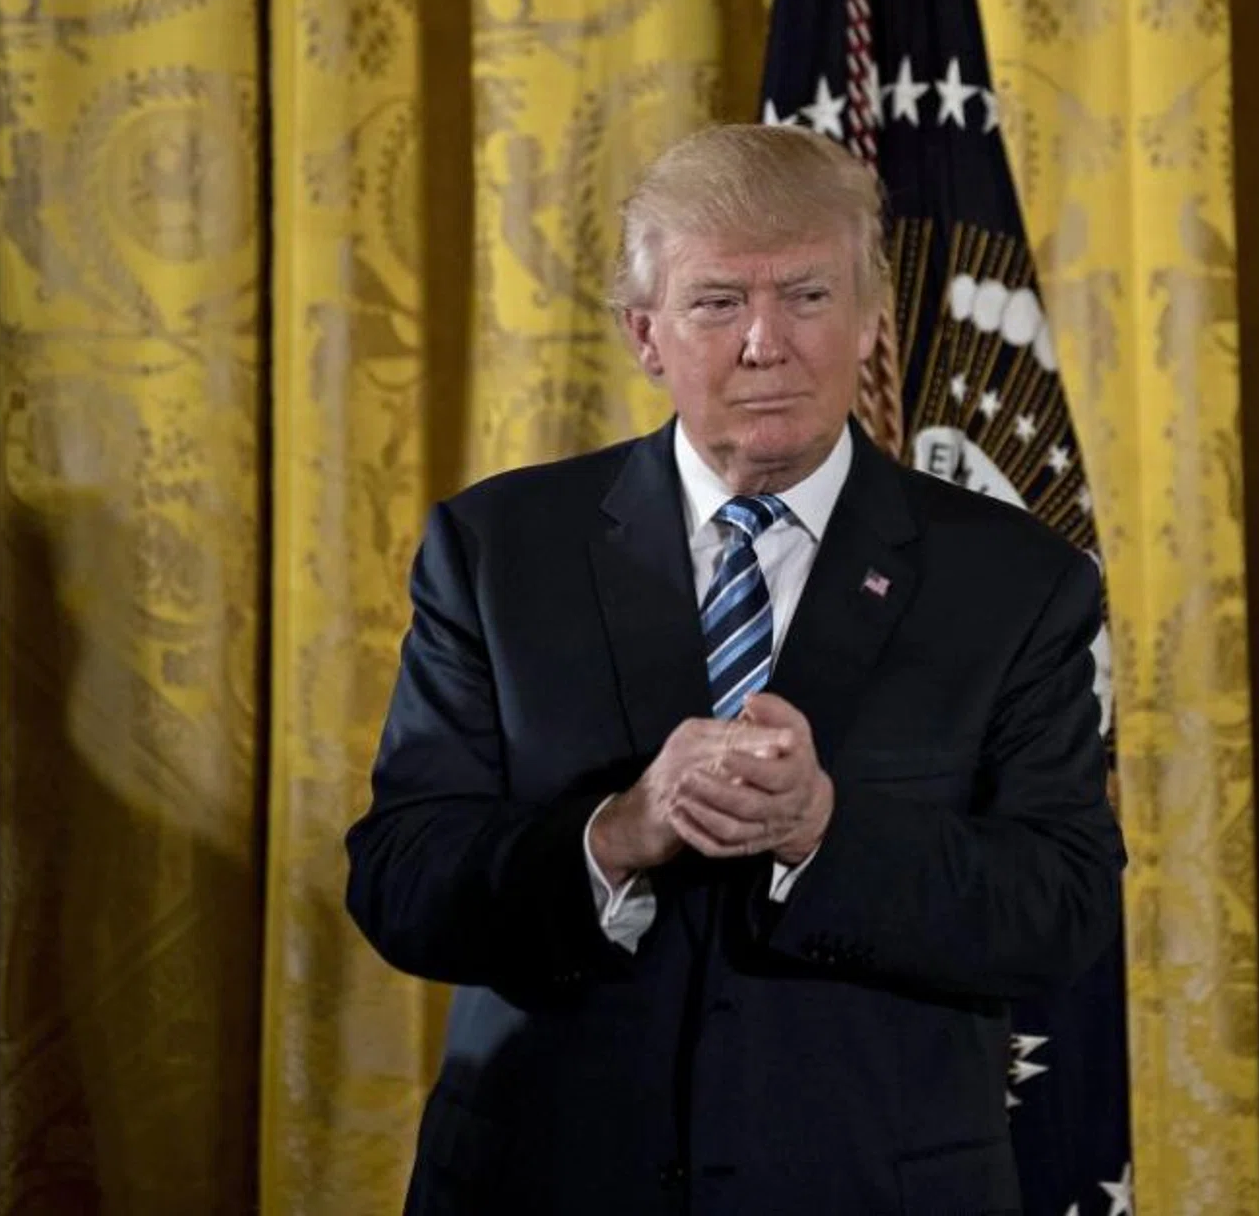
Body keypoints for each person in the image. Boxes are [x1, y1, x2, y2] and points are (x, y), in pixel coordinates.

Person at [345, 123, 1124, 1214]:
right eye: (718, 302)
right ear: (645, 334)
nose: (767, 342)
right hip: (544, 1183)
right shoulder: (495, 551)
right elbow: (402, 877)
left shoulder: (1017, 581)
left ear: (868, 322)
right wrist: (614, 833)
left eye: (807, 296)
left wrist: (822, 827)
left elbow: (1065, 907)